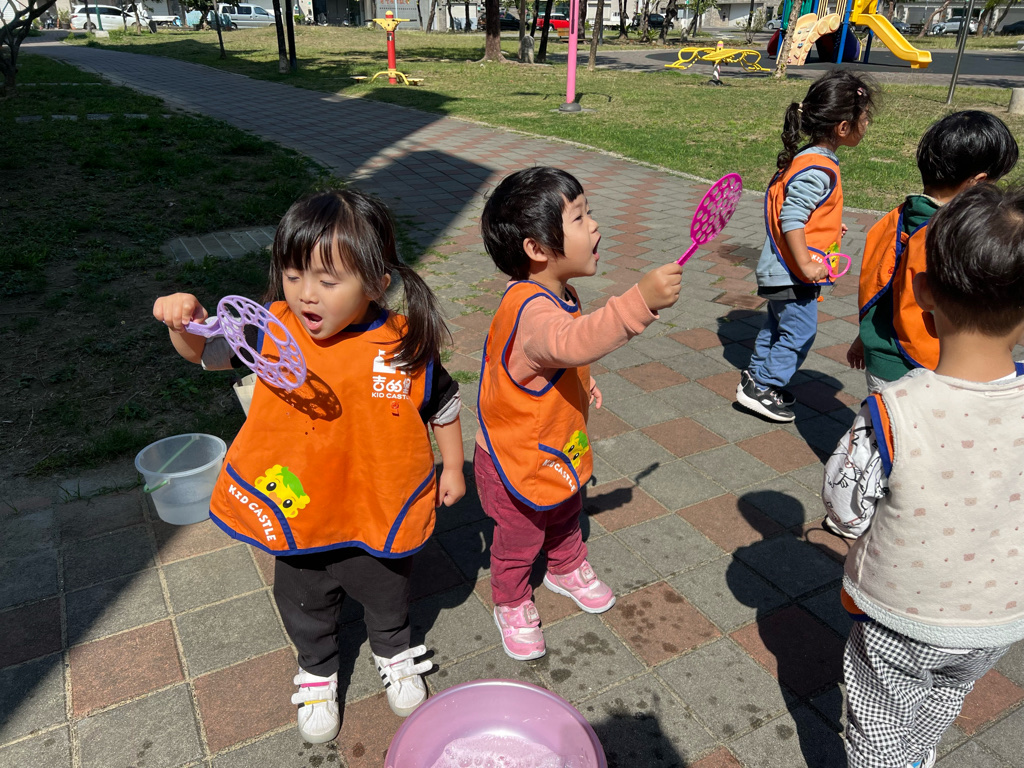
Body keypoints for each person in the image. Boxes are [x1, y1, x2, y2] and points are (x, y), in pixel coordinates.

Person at [152, 189, 466, 743]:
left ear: (376, 282)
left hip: (377, 501)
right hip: (299, 507)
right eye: (293, 275)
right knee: (304, 599)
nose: (305, 294)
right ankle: (317, 669)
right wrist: (184, 324)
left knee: (388, 590)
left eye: (327, 279)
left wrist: (455, 467)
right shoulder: (272, 330)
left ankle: (393, 650)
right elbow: (207, 354)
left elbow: (443, 404)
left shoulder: (404, 342)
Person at [822, 183, 1024, 768]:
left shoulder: (893, 411)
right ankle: (918, 756)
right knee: (946, 694)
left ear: (922, 289)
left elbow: (844, 507)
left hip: (902, 617)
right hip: (998, 619)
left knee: (878, 718)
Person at [476, 167, 683, 660]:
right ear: (536, 248)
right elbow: (569, 341)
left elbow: (560, 359)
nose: (595, 226)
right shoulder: (530, 309)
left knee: (567, 508)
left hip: (554, 443)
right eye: (579, 217)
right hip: (514, 458)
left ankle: (566, 566)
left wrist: (583, 382)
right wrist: (638, 303)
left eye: (589, 213)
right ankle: (511, 599)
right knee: (519, 537)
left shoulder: (561, 293)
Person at [736, 70, 877, 423]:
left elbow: (804, 212)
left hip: (780, 270)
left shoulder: (809, 157)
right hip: (792, 272)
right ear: (842, 127)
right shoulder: (819, 168)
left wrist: (828, 225)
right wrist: (805, 264)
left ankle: (755, 380)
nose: (867, 125)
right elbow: (791, 217)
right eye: (864, 118)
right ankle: (764, 386)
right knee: (800, 332)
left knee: (776, 327)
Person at [848, 111, 1018, 393]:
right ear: (978, 182)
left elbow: (880, 288)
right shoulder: (955, 238)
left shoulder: (893, 220)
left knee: (885, 420)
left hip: (881, 362)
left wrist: (864, 337)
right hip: (929, 368)